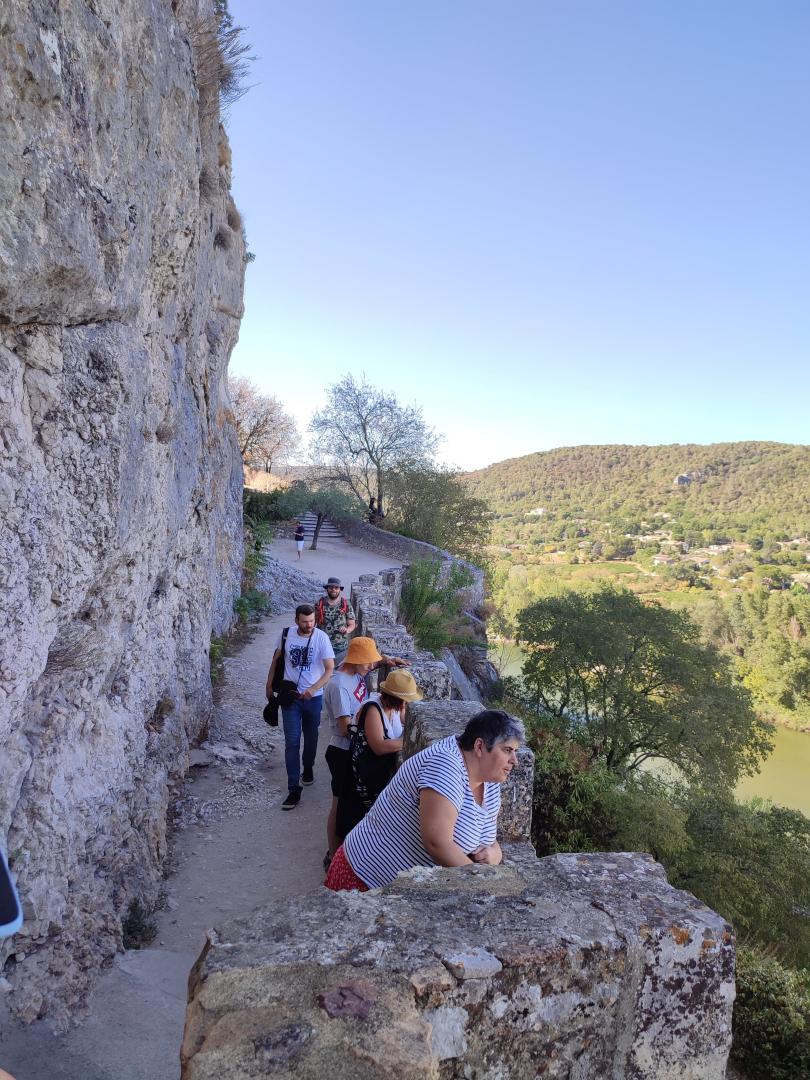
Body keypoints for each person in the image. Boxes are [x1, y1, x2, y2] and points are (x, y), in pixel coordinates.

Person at [324, 709, 524, 891]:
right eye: (507, 750)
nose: (514, 760)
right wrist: (483, 885)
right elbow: (437, 842)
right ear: (479, 746)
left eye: (515, 751)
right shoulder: (445, 764)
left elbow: (488, 838)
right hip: (364, 879)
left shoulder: (489, 780)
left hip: (403, 891)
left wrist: (494, 854)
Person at [338, 669, 422, 839]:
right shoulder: (373, 710)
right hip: (362, 776)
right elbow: (379, 746)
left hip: (377, 776)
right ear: (396, 698)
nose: (407, 704)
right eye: (405, 700)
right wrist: (412, 744)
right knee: (352, 821)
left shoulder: (397, 709)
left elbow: (408, 722)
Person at [265, 604, 334, 809]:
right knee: (292, 742)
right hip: (291, 697)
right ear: (296, 620)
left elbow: (329, 669)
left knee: (311, 738)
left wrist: (313, 689)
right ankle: (293, 788)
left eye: (312, 621)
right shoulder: (286, 635)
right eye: (304, 622)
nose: (309, 625)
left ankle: (309, 766)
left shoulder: (321, 638)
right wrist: (269, 685)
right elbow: (276, 660)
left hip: (313, 699)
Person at [314, 577, 356, 667]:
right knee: (321, 670)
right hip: (322, 645)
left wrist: (347, 630)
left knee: (338, 672)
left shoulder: (346, 605)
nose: (333, 590)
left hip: (340, 647)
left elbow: (352, 624)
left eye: (336, 588)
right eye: (331, 587)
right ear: (327, 589)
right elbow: (312, 623)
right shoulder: (319, 604)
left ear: (340, 590)